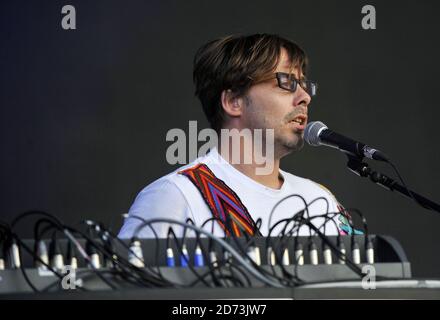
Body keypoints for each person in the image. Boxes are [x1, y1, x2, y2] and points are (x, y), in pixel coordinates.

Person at [118, 33, 353, 239]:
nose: (305, 97)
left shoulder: (321, 202)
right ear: (233, 102)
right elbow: (129, 287)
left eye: (304, 84)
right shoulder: (175, 196)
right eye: (287, 82)